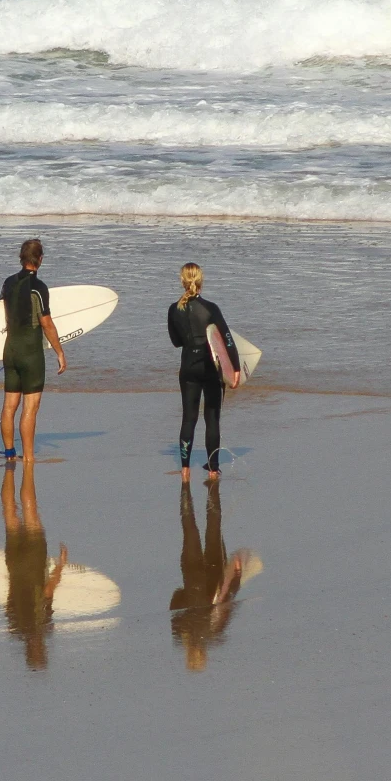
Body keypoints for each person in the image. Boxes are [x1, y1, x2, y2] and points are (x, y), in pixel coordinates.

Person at [166, 261, 240, 482]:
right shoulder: (210, 308)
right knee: (212, 418)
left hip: (188, 366)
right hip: (210, 367)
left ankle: (185, 470)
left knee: (188, 419)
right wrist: (235, 369)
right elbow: (227, 340)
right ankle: (213, 469)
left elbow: (176, 342)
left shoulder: (173, 309)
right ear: (200, 280)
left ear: (182, 281)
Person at [0, 238, 67, 462]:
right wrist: (59, 351)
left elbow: (1, 312)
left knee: (9, 405)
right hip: (30, 353)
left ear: (21, 258)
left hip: (10, 350)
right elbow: (46, 322)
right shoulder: (39, 288)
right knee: (30, 407)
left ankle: (9, 454)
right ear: (40, 259)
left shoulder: (7, 283)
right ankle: (28, 458)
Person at [169, 479, 250, 671]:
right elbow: (176, 599)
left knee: (213, 528)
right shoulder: (180, 633)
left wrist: (237, 573)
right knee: (189, 528)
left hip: (213, 574)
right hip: (192, 573)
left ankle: (206, 486)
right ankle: (188, 485)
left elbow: (227, 599)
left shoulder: (215, 634)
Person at [1, 457, 66, 670]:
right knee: (10, 515)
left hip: (31, 564)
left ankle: (16, 469)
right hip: (15, 566)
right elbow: (45, 593)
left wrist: (60, 567)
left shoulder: (28, 627)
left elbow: (47, 592)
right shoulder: (17, 627)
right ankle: (13, 472)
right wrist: (58, 568)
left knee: (30, 515)